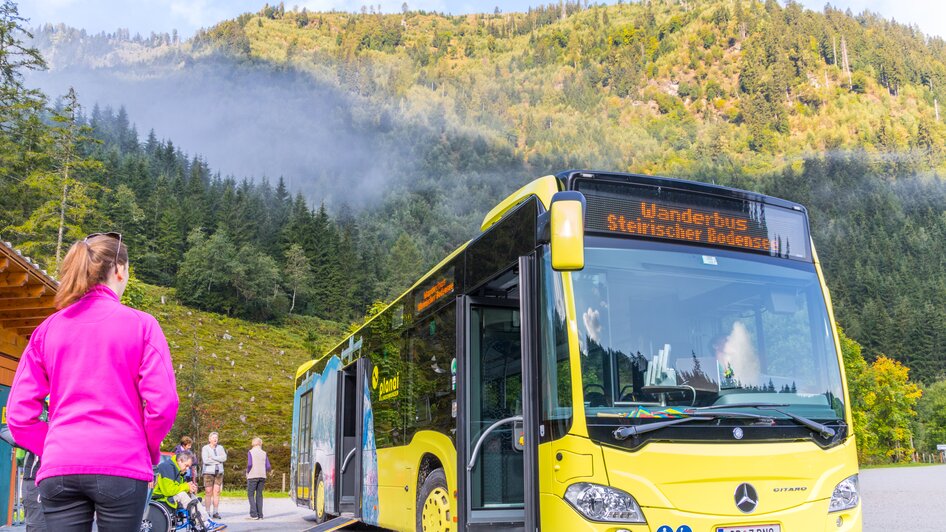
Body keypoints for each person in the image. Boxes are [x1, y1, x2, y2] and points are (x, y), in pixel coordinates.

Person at [7, 232, 179, 531]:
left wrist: (53, 446)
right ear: (120, 270)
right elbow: (163, 404)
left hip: (60, 466)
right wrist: (145, 446)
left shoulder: (48, 330)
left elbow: (19, 415)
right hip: (122, 463)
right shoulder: (142, 325)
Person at [153, 449, 226, 531]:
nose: (187, 469)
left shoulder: (176, 468)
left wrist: (190, 487)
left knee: (191, 495)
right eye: (186, 465)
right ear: (179, 460)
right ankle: (204, 522)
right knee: (183, 495)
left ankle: (207, 521)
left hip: (169, 495)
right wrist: (186, 487)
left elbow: (177, 486)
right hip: (161, 498)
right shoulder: (167, 467)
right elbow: (168, 490)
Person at [0, 426, 45, 531]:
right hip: (37, 481)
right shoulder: (39, 415)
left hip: (72, 478)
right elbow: (6, 430)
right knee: (38, 526)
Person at [202, 432, 227, 519]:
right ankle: (207, 512)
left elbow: (224, 458)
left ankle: (215, 512)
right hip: (208, 472)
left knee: (216, 492)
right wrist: (218, 460)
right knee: (208, 492)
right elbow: (205, 460)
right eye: (213, 437)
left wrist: (212, 458)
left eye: (216, 437)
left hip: (219, 472)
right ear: (209, 439)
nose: (215, 439)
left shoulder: (221, 448)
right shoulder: (205, 448)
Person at [245, 437, 271, 520]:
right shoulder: (264, 453)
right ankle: (260, 515)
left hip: (253, 475)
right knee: (259, 495)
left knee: (250, 494)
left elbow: (249, 464)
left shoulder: (251, 452)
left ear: (253, 443)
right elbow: (268, 466)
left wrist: (247, 472)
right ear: (260, 443)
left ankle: (254, 514)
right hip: (262, 476)